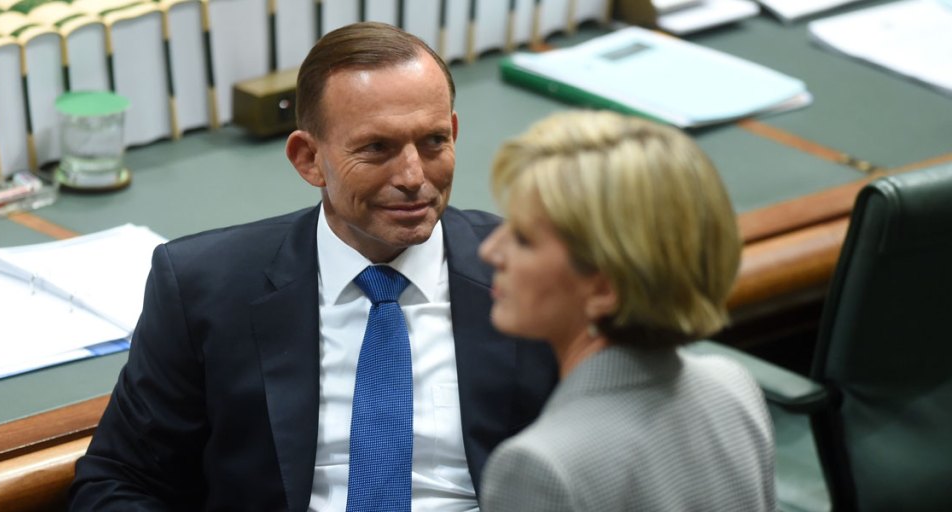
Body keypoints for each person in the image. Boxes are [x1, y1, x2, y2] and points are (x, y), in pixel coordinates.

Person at [69, 22, 558, 511]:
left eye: (432, 142)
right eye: (377, 148)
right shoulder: (203, 289)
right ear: (308, 159)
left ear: (453, 132)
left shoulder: (544, 274)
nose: (413, 177)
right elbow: (118, 482)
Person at [478, 110, 775, 511]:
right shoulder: (733, 387)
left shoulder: (540, 467)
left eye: (524, 239)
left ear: (602, 288)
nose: (490, 251)